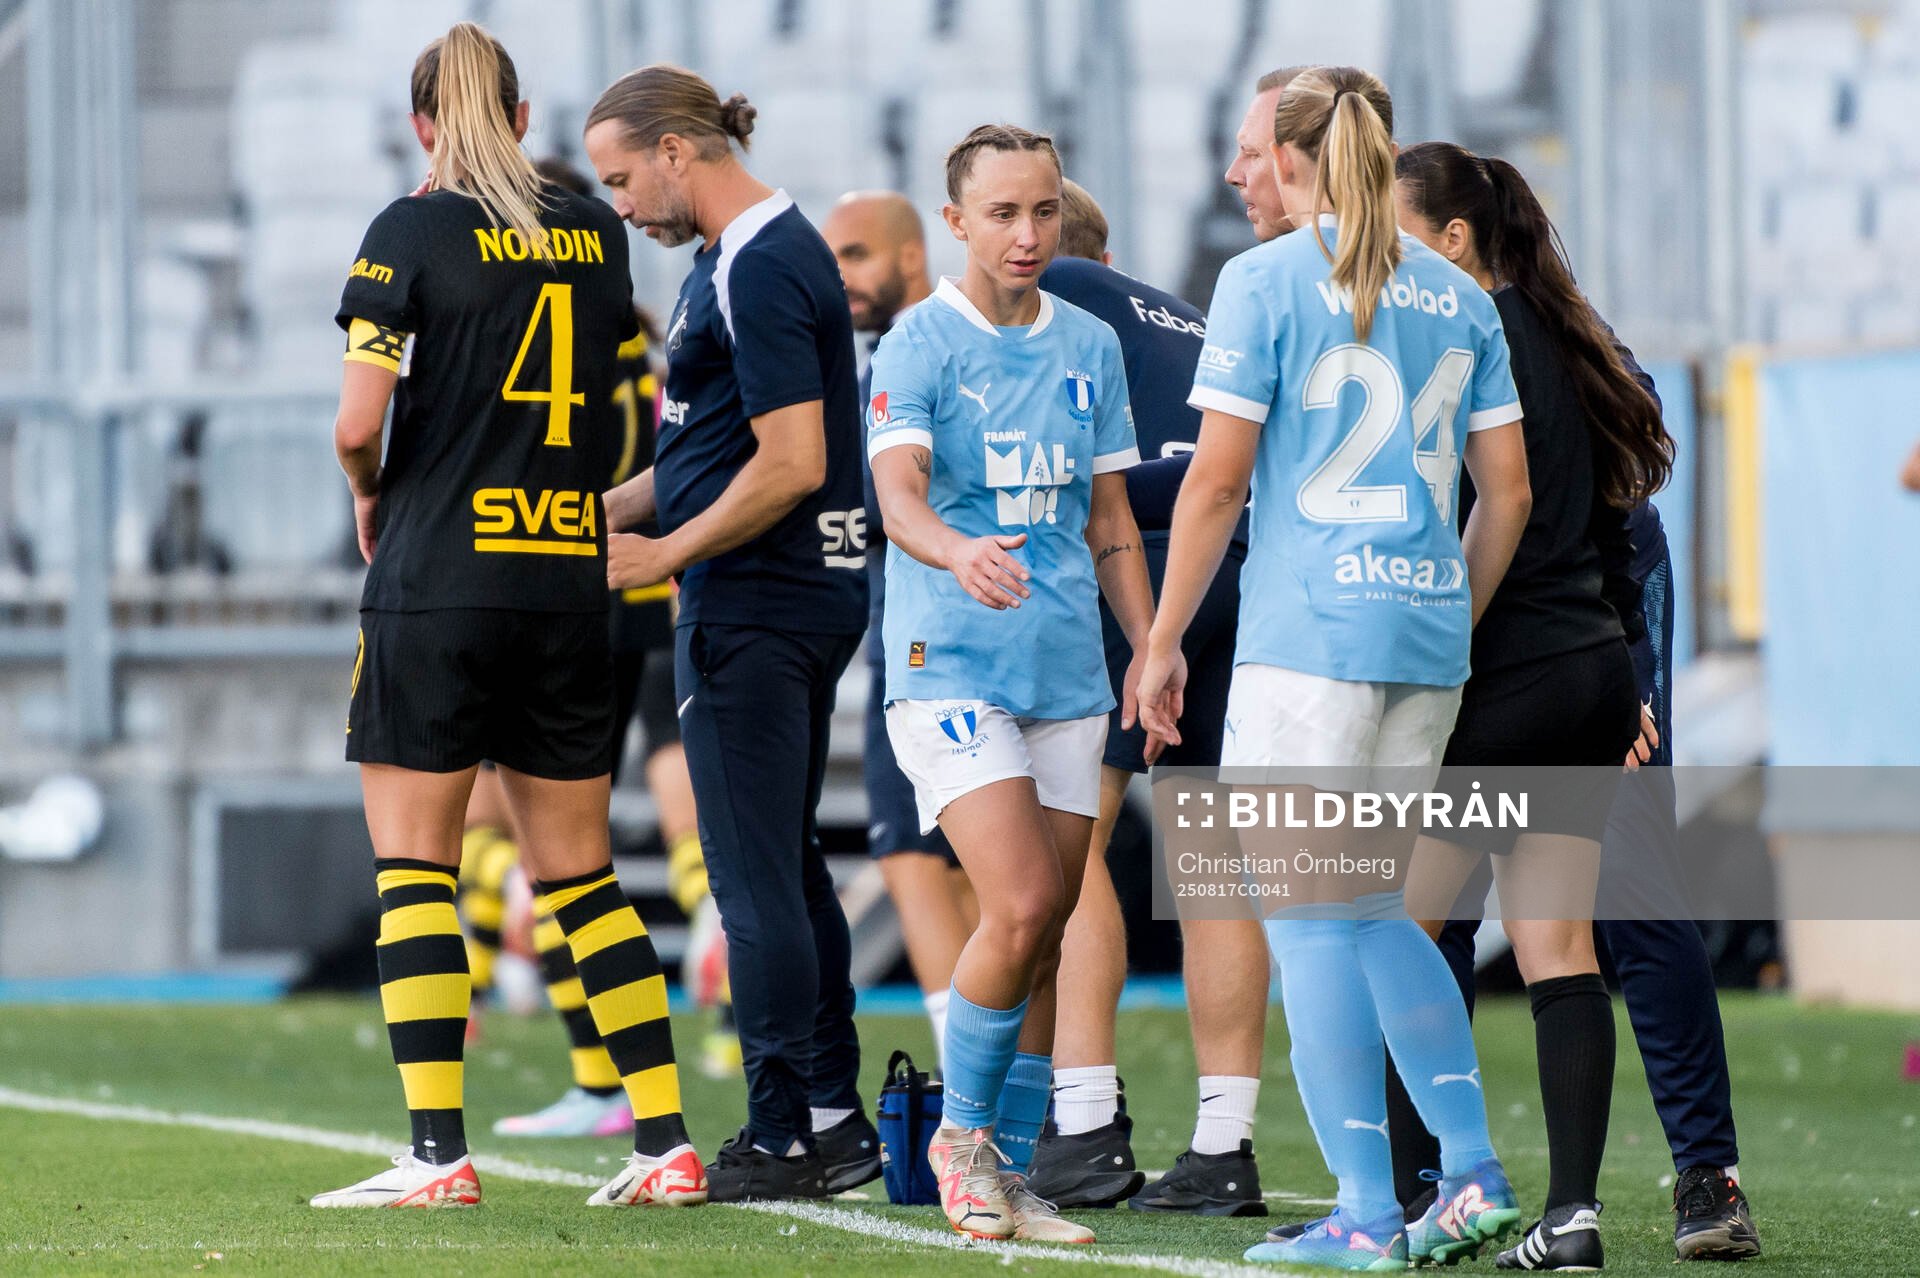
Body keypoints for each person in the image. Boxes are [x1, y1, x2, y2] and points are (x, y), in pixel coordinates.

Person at [1138, 67, 1533, 1270]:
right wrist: (1446, 613)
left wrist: (1160, 641)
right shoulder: (1461, 296)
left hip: (1308, 644)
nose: (1236, 169)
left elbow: (1213, 483)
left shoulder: (1261, 281)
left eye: (1253, 147)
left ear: (1300, 154)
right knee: (1367, 908)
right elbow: (1505, 491)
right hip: (1422, 641)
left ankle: (1369, 1208)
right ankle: (1464, 1175)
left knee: (1311, 925)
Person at [316, 23, 704, 1209]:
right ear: (526, 119)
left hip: (438, 575)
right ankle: (666, 1143)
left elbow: (353, 422)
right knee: (583, 880)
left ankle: (439, 1157)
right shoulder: (593, 232)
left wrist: (371, 497)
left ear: (423, 125)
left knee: (417, 871)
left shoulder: (407, 230)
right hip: (563, 576)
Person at [585, 64, 881, 1202]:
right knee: (789, 865)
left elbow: (793, 462)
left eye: (622, 177)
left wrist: (663, 555)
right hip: (789, 594)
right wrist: (604, 512)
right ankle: (830, 1114)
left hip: (756, 601)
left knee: (752, 878)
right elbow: (711, 448)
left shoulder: (757, 260)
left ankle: (783, 1132)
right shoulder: (746, 254)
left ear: (675, 150)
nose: (621, 204)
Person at [867, 124, 1157, 1244]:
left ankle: (1011, 1171)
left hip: (1068, 671)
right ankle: (961, 1140)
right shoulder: (918, 346)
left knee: (1046, 930)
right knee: (1026, 899)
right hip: (950, 665)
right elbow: (899, 499)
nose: (1026, 234)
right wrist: (956, 551)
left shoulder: (1090, 345)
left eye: (1041, 211)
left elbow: (1110, 522)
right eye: (1001, 214)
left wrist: (1152, 647)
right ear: (956, 222)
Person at [1388, 142, 1673, 1271]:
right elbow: (1618, 530)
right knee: (1559, 950)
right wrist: (1629, 680)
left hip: (1492, 679)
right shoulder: (1571, 335)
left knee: (1404, 938)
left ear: (1453, 242)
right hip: (1587, 673)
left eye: (1403, 235)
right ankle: (1572, 1217)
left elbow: (1466, 514)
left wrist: (1430, 653)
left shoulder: (1459, 336)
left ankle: (1423, 1200)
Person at [1019, 180, 1242, 1213]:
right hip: (1232, 561)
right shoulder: (1190, 314)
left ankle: (1084, 1123)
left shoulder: (1055, 290)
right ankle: (1224, 1141)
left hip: (1135, 566)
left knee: (1075, 839)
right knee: (1210, 861)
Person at [820, 190, 978, 1064]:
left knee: (918, 862)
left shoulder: (910, 356)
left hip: (924, 646)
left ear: (911, 256)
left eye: (855, 256)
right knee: (969, 876)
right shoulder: (922, 349)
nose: (838, 276)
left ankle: (974, 1087)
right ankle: (1022, 1091)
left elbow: (886, 508)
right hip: (950, 637)